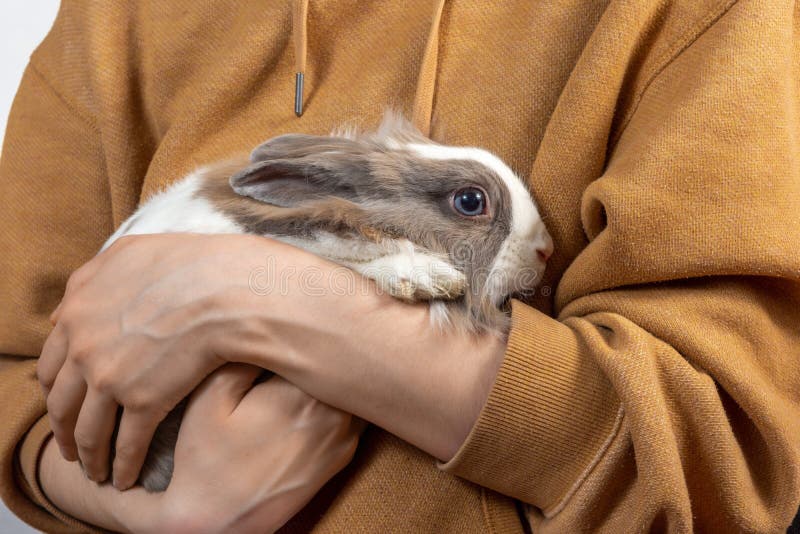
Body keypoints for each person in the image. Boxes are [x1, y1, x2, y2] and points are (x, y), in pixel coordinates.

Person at [1, 1, 799, 532]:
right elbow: (14, 376)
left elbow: (725, 458)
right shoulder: (111, 19)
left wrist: (263, 300)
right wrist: (166, 513)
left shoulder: (706, 17)